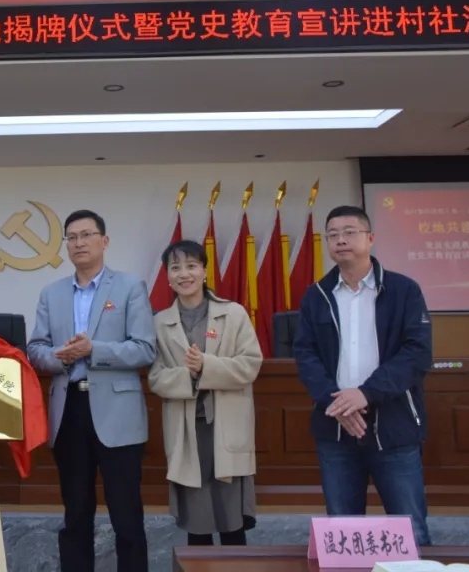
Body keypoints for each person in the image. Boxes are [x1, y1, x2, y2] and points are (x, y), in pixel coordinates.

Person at [293, 205, 433, 547]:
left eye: (349, 232)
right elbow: (306, 355)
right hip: (335, 428)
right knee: (343, 533)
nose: (340, 240)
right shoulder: (317, 295)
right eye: (333, 234)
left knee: (411, 531)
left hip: (395, 425)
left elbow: (416, 354)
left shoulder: (404, 290)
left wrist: (365, 394)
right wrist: (338, 403)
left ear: (370, 238)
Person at [26, 209, 156, 572]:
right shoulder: (51, 293)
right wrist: (61, 357)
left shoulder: (130, 287)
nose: (79, 243)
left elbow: (145, 349)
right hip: (69, 410)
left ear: (104, 241)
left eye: (86, 235)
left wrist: (93, 349)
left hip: (118, 413)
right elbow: (36, 349)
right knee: (76, 513)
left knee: (126, 516)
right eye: (72, 237)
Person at [147, 240, 261, 547]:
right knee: (197, 524)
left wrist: (206, 366)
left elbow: (250, 365)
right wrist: (189, 374)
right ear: (168, 277)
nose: (184, 274)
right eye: (175, 268)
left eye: (191, 266)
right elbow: (155, 377)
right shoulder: (159, 323)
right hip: (187, 430)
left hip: (227, 426)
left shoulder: (233, 314)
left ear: (205, 271)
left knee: (231, 521)